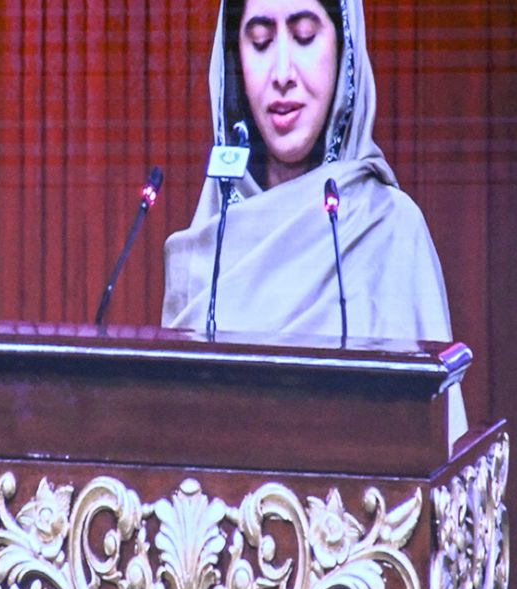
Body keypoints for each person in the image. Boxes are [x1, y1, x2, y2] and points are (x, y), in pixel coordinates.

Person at [162, 0, 467, 440]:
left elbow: (440, 456)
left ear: (344, 53)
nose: (283, 72)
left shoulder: (390, 230)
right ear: (234, 62)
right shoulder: (205, 249)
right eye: (261, 42)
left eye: (305, 37)